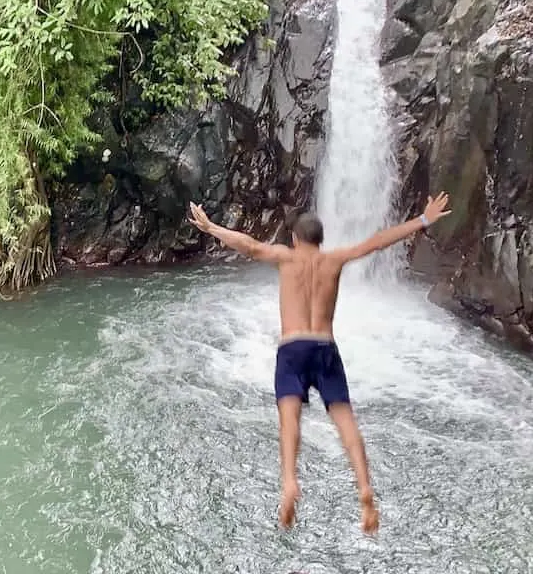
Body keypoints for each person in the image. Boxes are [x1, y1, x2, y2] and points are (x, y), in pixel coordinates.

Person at [187, 193, 452, 536]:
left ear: (295, 239)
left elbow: (249, 246)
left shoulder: (285, 257)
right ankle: (364, 487)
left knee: (289, 416)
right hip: (326, 347)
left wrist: (210, 227)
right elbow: (375, 242)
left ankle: (289, 482)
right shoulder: (336, 259)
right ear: (321, 239)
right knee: (344, 419)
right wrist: (423, 219)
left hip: (293, 347)